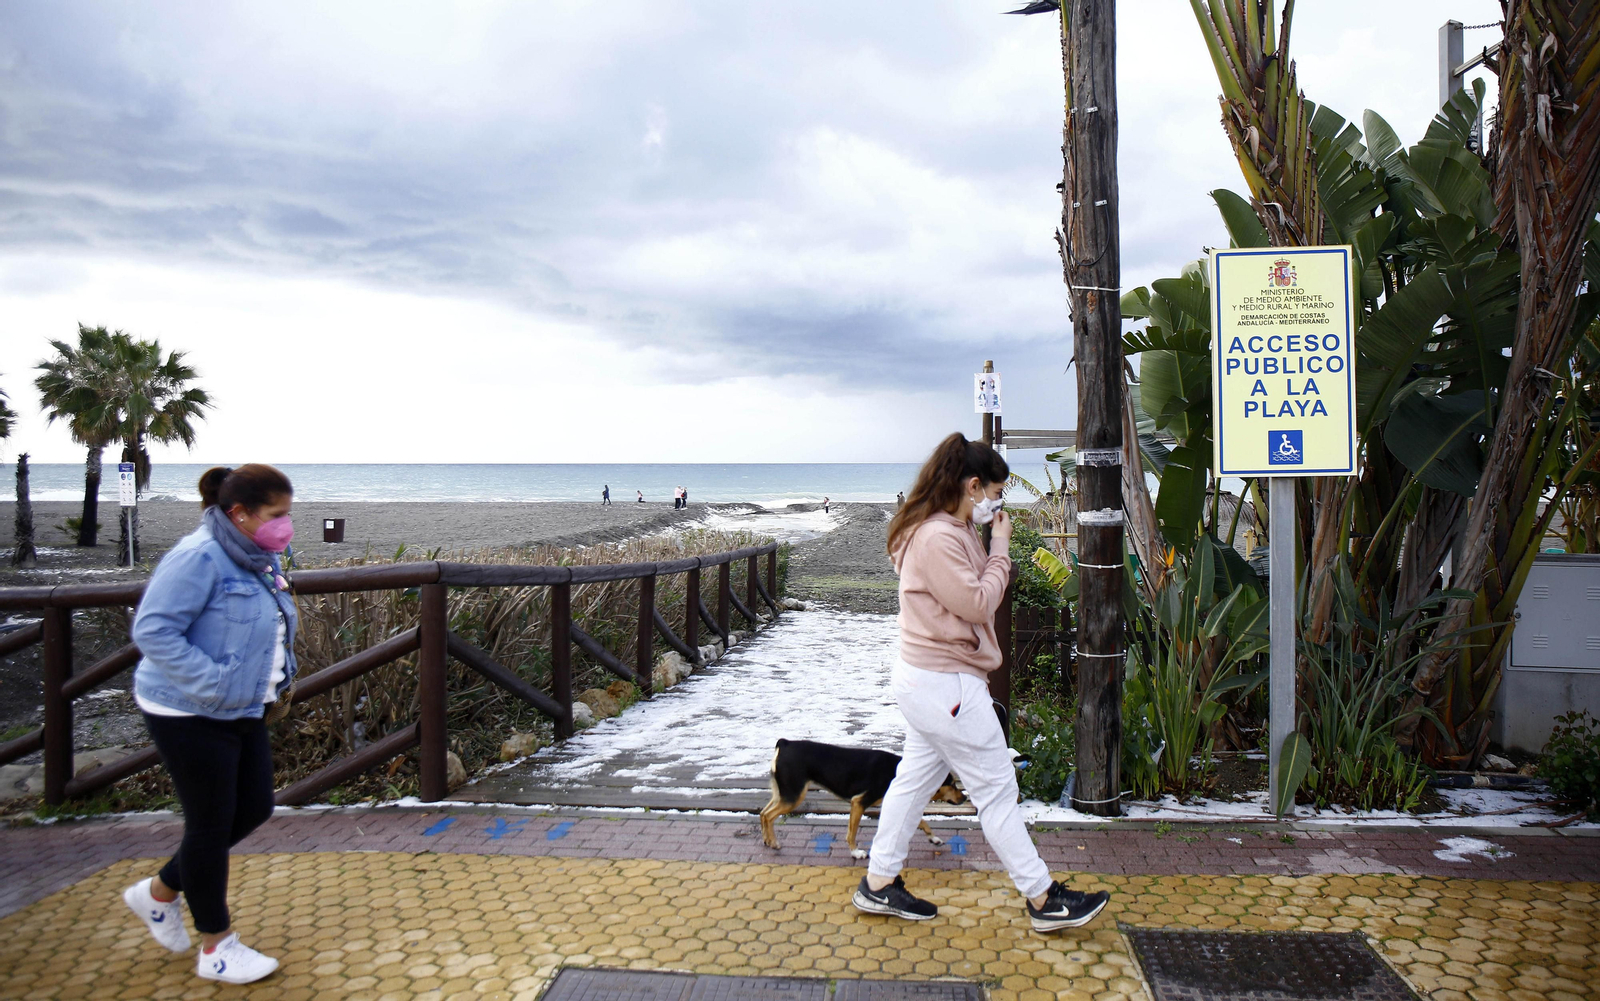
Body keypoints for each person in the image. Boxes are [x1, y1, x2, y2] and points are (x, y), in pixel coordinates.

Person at [852, 433, 1110, 933]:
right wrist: (1002, 549)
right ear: (972, 486)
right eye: (994, 493)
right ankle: (1042, 899)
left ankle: (879, 883)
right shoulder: (938, 537)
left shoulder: (945, 525)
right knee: (996, 790)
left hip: (930, 679)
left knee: (913, 783)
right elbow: (977, 603)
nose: (997, 502)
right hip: (945, 684)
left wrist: (983, 533)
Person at [122, 464, 299, 984]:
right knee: (210, 823)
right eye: (278, 515)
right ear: (240, 514)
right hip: (188, 711)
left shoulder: (256, 557)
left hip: (242, 708)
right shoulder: (199, 556)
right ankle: (217, 948)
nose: (286, 525)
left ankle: (158, 893)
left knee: (254, 807)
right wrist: (215, 682)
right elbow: (153, 630)